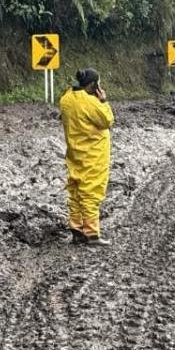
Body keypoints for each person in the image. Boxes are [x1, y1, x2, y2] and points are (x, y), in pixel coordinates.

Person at [59, 67, 114, 246]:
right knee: (91, 192)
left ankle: (76, 229)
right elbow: (107, 120)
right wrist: (103, 100)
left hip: (74, 153)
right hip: (93, 154)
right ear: (93, 85)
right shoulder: (90, 103)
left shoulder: (66, 99)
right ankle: (92, 234)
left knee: (75, 192)